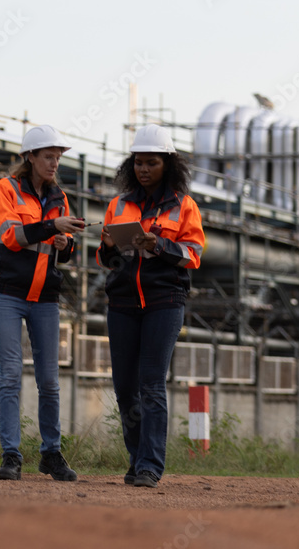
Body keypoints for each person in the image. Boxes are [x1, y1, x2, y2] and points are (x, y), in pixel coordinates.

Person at [96, 124, 205, 489]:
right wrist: (111, 246)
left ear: (167, 164)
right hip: (123, 302)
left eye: (151, 163)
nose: (143, 169)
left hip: (164, 301)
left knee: (151, 384)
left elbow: (192, 255)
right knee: (125, 388)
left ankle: (150, 465)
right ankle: (136, 457)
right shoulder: (118, 204)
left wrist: (157, 245)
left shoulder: (184, 206)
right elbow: (105, 260)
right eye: (138, 162)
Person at [0, 124, 84, 482]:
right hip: (8, 294)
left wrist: (65, 244)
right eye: (48, 156)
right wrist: (51, 227)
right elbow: (11, 236)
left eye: (58, 157)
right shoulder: (6, 190)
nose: (54, 163)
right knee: (11, 376)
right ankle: (11, 455)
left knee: (49, 380)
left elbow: (67, 249)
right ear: (29, 157)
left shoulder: (59, 197)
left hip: (45, 296)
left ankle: (51, 454)